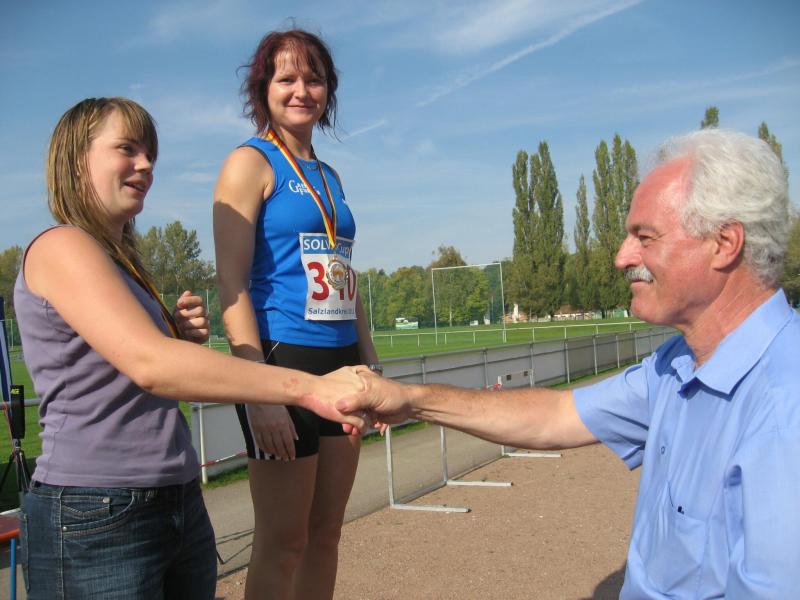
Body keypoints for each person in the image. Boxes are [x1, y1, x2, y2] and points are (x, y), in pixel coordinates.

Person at [341, 128, 800, 598]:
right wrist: (410, 399)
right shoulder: (677, 364)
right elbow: (557, 415)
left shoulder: (785, 409)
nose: (622, 257)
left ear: (724, 243)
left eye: (644, 237)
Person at [15, 97, 369, 600]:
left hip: (172, 497)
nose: (145, 165)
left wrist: (175, 338)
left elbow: (133, 365)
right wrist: (307, 388)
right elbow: (151, 365)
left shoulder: (121, 264)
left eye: (150, 155)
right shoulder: (61, 245)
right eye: (127, 149)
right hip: (97, 508)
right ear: (75, 161)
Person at [213, 30, 380, 599]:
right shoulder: (249, 163)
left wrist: (371, 364)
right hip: (283, 361)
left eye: (314, 79)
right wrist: (258, 392)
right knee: (283, 543)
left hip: (343, 361)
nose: (301, 90)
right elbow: (231, 283)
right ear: (264, 88)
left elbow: (345, 275)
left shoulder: (330, 176)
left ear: (329, 90)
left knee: (325, 535)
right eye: (287, 78)